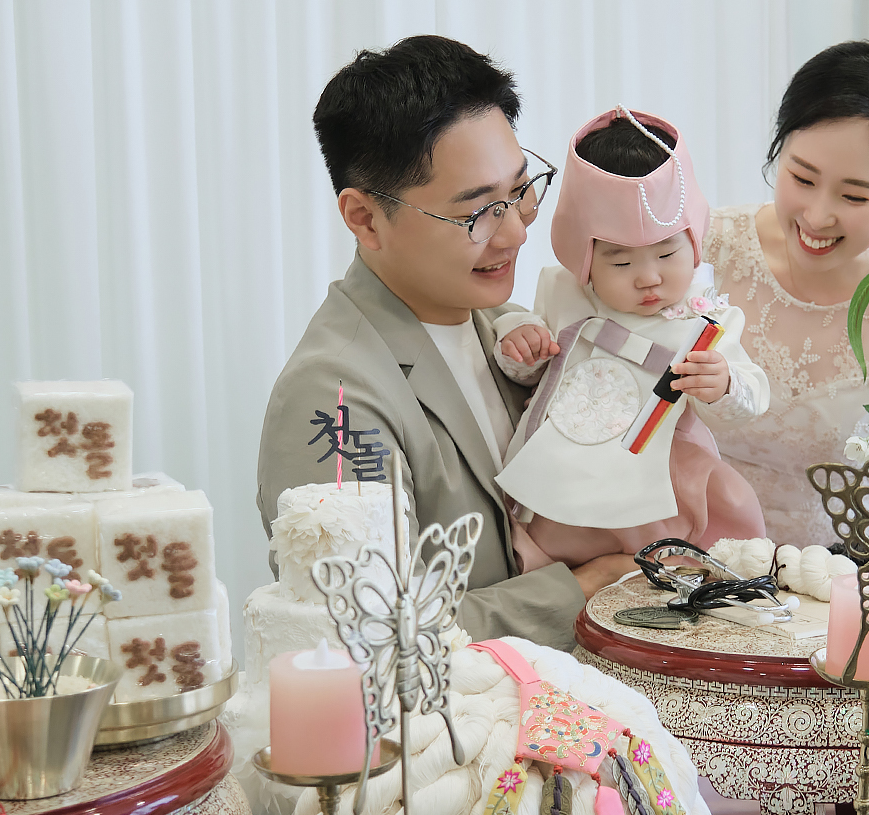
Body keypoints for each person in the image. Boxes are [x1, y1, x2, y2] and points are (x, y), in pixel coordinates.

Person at [256, 37, 636, 649]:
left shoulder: (509, 328)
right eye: (475, 213)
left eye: (520, 191)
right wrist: (580, 590)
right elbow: (363, 632)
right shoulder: (334, 395)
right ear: (364, 218)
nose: (514, 232)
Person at [491, 107, 769, 567]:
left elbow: (750, 395)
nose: (649, 278)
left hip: (663, 474)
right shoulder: (564, 293)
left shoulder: (708, 318)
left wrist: (722, 385)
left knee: (685, 559)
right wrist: (522, 344)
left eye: (668, 254)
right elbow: (533, 369)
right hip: (568, 469)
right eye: (621, 262)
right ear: (583, 258)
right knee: (555, 555)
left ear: (694, 241)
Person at [703, 41, 869, 546]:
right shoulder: (706, 252)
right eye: (801, 177)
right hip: (688, 565)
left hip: (851, 579)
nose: (816, 217)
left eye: (854, 196)